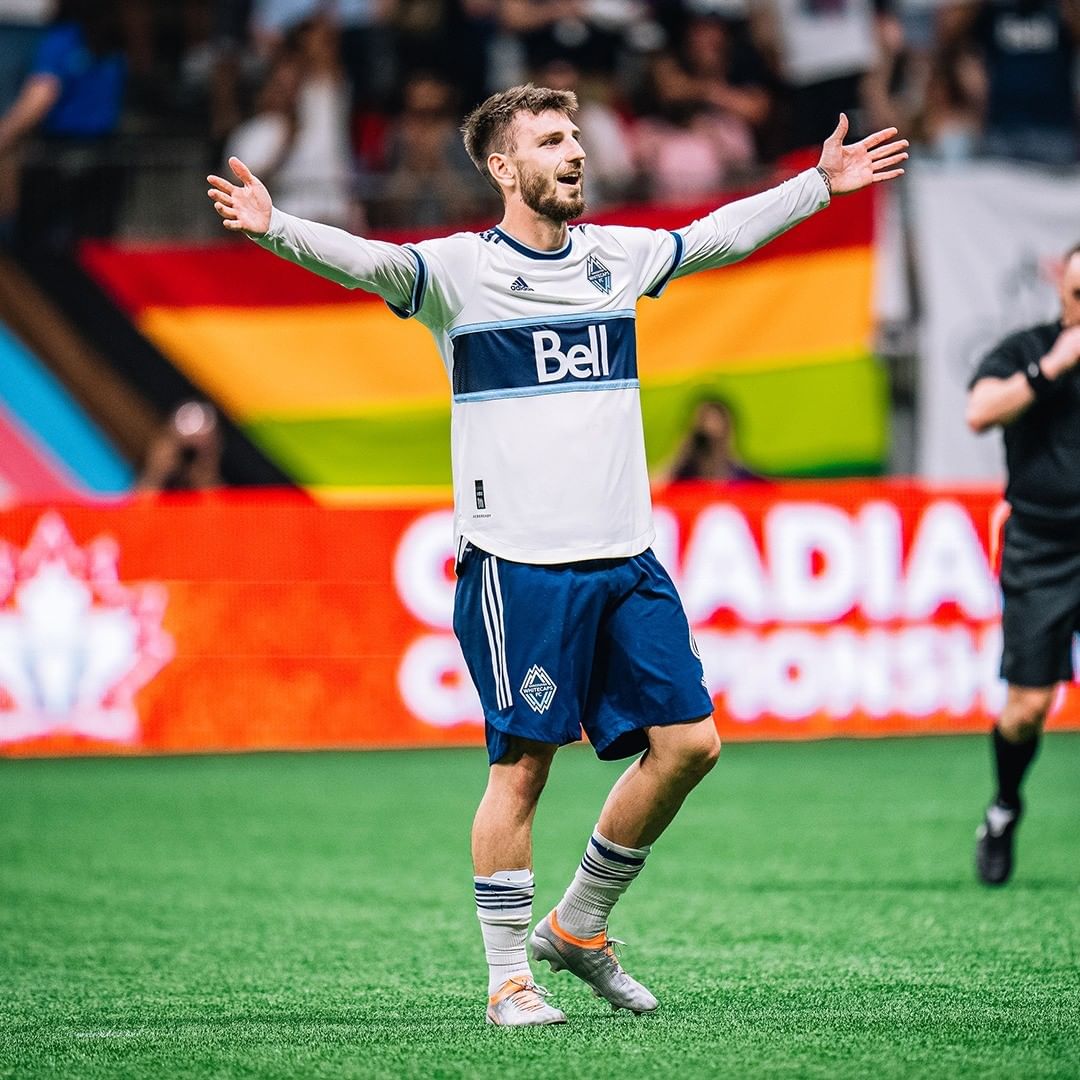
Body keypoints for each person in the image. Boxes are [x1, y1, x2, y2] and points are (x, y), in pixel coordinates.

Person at [208, 82, 906, 1025]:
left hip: (626, 557)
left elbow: (715, 237)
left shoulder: (615, 257)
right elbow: (369, 262)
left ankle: (577, 927)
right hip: (518, 564)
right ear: (503, 167)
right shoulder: (458, 272)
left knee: (690, 746)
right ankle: (508, 978)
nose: (575, 151)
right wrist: (277, 226)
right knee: (524, 769)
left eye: (575, 136)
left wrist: (815, 186)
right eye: (549, 140)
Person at [966, 244, 1080, 886]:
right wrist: (1052, 367)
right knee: (1027, 709)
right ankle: (1005, 808)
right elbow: (979, 412)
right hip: (1042, 549)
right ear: (1060, 288)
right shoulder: (1027, 349)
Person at [665, 398, 761, 484]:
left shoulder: (741, 473)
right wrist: (682, 452)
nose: (711, 426)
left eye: (715, 420)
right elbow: (660, 483)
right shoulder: (686, 469)